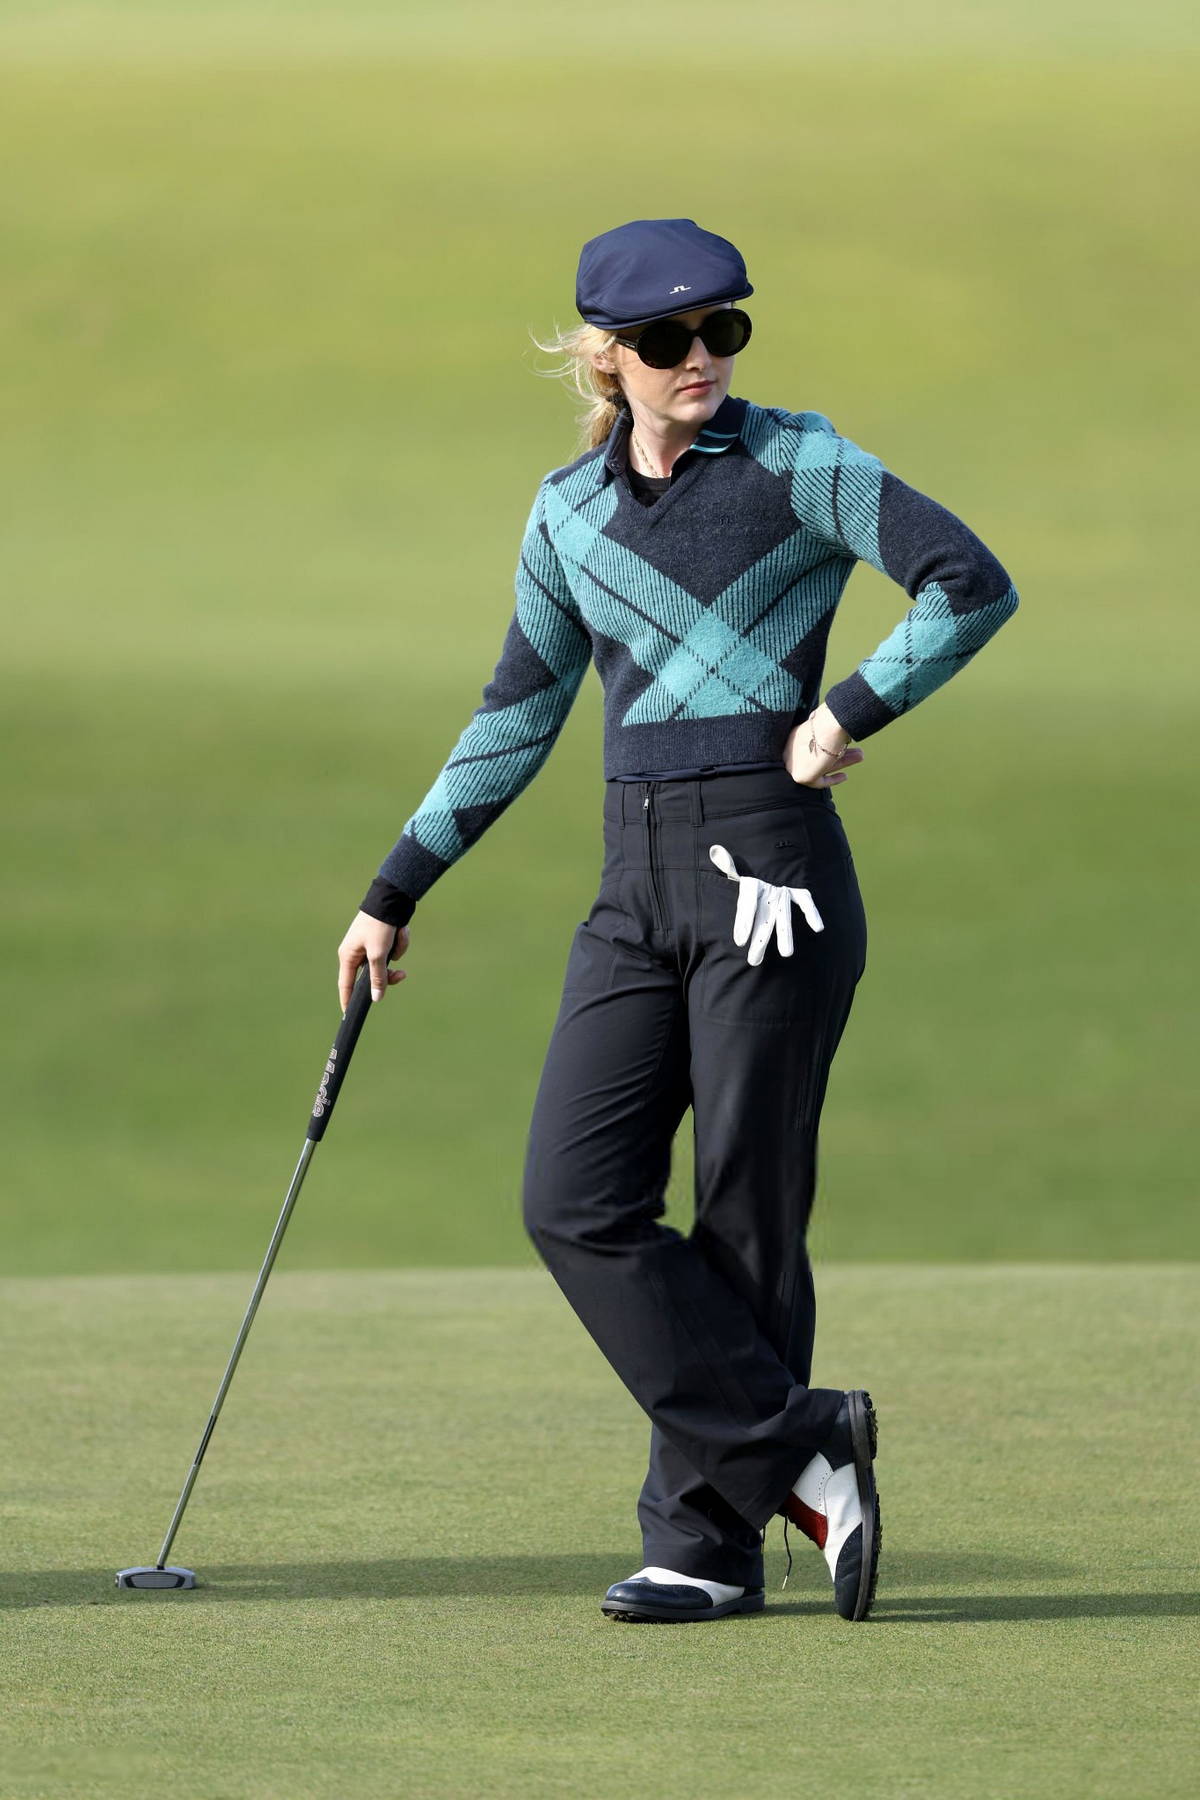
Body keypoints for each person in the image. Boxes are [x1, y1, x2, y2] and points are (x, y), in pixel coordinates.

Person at [337, 218, 1019, 1625]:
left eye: (724, 331)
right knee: (572, 1199)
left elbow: (969, 582)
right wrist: (394, 886)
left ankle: (704, 1544)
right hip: (631, 882)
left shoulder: (801, 462)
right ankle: (802, 1448)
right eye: (667, 340)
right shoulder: (565, 514)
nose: (700, 358)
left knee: (746, 1209)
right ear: (605, 357)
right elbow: (518, 713)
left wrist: (849, 706)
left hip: (771, 864)